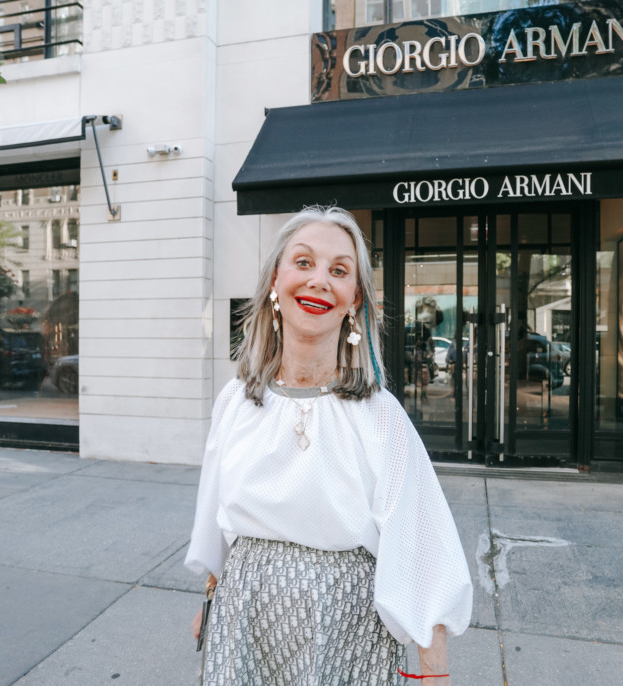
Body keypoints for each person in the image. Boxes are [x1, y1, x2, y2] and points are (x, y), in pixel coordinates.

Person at [185, 206, 472, 685]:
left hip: (349, 631)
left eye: (338, 270)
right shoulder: (235, 401)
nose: (319, 280)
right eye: (303, 262)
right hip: (242, 621)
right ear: (275, 280)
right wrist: (209, 604)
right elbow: (218, 519)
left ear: (354, 299)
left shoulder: (381, 417)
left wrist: (434, 676)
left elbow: (422, 548)